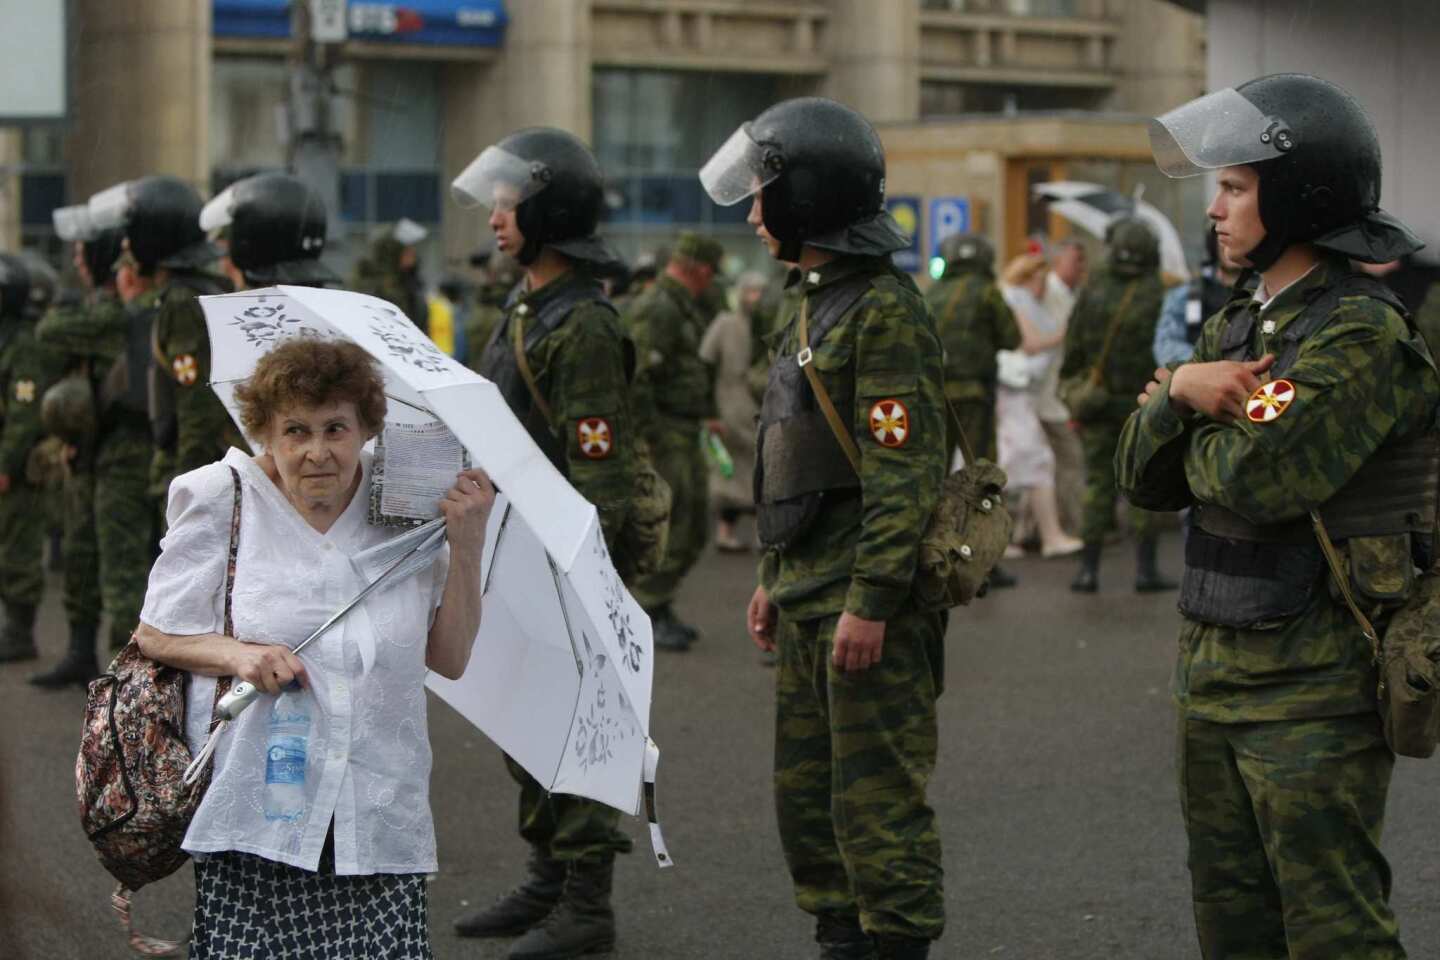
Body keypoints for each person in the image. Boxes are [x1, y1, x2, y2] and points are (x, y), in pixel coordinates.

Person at [1119, 73, 1432, 960]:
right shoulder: (1236, 330)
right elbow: (1139, 478)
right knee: (1234, 926)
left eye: (1234, 187)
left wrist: (1182, 418)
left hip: (1315, 693)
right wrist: (1183, 391)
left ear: (1297, 194)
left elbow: (1260, 480)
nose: (1214, 209)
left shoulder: (1359, 334)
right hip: (1215, 677)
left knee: (1333, 931)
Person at [135, 337, 491, 959]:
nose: (318, 451)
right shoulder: (225, 497)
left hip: (376, 804)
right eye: (295, 430)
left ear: (366, 429)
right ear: (265, 432)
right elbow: (155, 633)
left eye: (336, 428)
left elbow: (451, 659)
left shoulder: (410, 503)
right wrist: (241, 656)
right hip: (258, 806)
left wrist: (466, 546)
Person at [703, 96, 947, 960]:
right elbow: (792, 453)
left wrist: (874, 599)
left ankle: (893, 946)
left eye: (767, 192)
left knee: (876, 801)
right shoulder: (815, 299)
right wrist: (776, 573)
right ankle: (839, 939)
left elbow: (904, 471)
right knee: (807, 803)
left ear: (810, 196)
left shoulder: (883, 309)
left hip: (859, 603)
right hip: (809, 592)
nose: (755, 211)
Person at [449, 126, 638, 960]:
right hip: (517, 548)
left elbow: (603, 470)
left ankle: (587, 905)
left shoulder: (585, 325)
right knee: (528, 724)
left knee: (577, 727)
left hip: (566, 557)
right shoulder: (528, 307)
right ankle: (548, 879)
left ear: (549, 211)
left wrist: (590, 580)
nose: (494, 217)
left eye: (508, 202)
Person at [89, 175, 235, 504]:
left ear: (153, 236)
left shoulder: (182, 303)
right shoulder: (199, 290)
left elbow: (197, 407)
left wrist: (189, 489)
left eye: (131, 234)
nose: (125, 246)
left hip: (196, 474)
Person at [27, 214, 127, 686]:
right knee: (81, 556)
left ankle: (126, 674)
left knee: (120, 569)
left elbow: (50, 329)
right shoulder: (102, 305)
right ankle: (81, 651)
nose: (76, 259)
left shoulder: (113, 312)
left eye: (84, 249)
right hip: (91, 450)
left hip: (120, 455)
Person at [1059, 217, 1175, 594]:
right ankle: (1145, 570)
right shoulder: (1160, 292)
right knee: (1144, 483)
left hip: (1098, 404)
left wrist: (1074, 400)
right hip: (1146, 405)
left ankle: (1087, 571)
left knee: (1097, 484)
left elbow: (1073, 347)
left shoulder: (1092, 290)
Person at [624, 232, 724, 651]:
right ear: (700, 270)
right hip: (664, 434)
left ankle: (659, 604)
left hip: (682, 430)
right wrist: (654, 436)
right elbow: (638, 377)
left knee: (693, 524)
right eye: (712, 274)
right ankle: (646, 609)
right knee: (671, 525)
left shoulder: (681, 304)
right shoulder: (660, 307)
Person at [0, 254, 67, 662]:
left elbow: (24, 414)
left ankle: (20, 632)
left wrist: (6, 465)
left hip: (20, 468)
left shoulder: (25, 344)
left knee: (17, 548)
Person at [995, 254, 1082, 558]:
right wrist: (1064, 334)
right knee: (1035, 460)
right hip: (1015, 393)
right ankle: (1048, 536)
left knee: (1018, 462)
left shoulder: (1013, 298)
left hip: (1018, 393)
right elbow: (1030, 342)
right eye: (1041, 281)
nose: (1044, 288)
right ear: (1029, 277)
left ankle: (1020, 536)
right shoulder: (1015, 298)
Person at [701, 269, 767, 553]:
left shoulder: (763, 325)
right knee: (727, 471)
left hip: (754, 407)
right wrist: (709, 410)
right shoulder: (726, 323)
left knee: (760, 469)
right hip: (727, 406)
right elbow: (704, 362)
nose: (755, 298)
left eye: (760, 292)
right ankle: (725, 533)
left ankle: (761, 534)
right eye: (751, 291)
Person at [1041, 237, 1088, 535]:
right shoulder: (1047, 293)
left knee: (1054, 463)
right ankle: (1074, 526)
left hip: (1057, 394)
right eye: (1076, 261)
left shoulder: (1071, 294)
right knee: (1070, 460)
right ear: (1058, 262)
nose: (1081, 268)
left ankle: (1061, 524)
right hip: (1046, 394)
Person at [1153, 228, 1243, 367]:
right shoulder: (1190, 294)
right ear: (1213, 243)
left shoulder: (1265, 294)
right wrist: (1205, 368)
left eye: (1240, 238)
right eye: (1224, 236)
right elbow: (1166, 344)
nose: (1231, 244)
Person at [353, 218, 430, 332]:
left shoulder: (410, 282)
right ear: (392, 252)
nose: (412, 253)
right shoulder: (371, 285)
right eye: (406, 250)